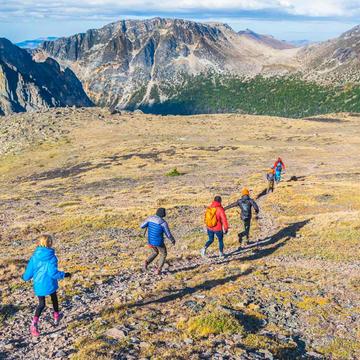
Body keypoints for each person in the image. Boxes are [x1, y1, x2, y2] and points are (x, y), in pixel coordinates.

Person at [22, 234, 71, 337]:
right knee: (54, 298)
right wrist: (64, 274)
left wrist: (24, 277)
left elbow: (29, 272)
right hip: (50, 283)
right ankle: (56, 316)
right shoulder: (52, 257)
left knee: (41, 304)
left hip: (39, 284)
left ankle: (34, 324)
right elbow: (53, 273)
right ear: (49, 243)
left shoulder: (34, 257)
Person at [141, 208, 176, 275]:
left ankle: (146, 262)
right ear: (163, 214)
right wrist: (172, 240)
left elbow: (142, 226)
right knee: (164, 253)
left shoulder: (150, 218)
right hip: (159, 242)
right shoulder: (163, 223)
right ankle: (158, 270)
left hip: (150, 241)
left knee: (155, 252)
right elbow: (168, 234)